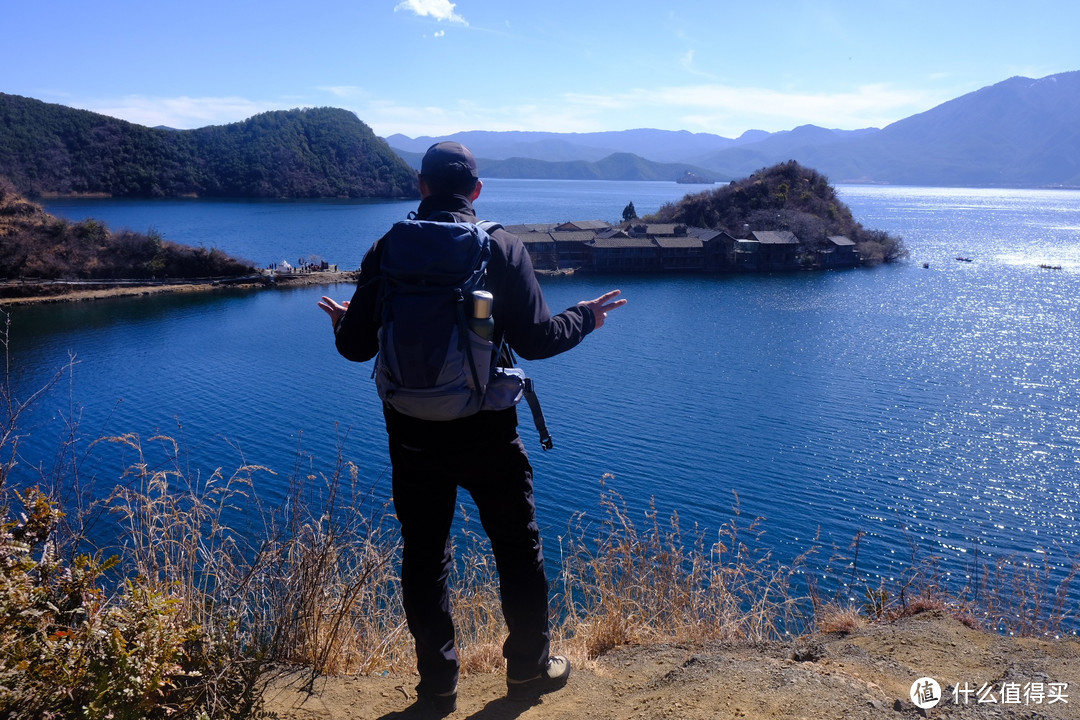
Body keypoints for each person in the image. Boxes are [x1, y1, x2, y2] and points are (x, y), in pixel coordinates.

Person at [318, 141, 626, 716]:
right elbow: (537, 341)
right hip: (488, 430)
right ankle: (529, 672)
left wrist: (342, 325)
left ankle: (438, 688)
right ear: (477, 192)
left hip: (412, 433)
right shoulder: (502, 247)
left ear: (421, 186)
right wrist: (586, 316)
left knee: (425, 556)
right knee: (516, 548)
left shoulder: (387, 248)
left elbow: (357, 349)